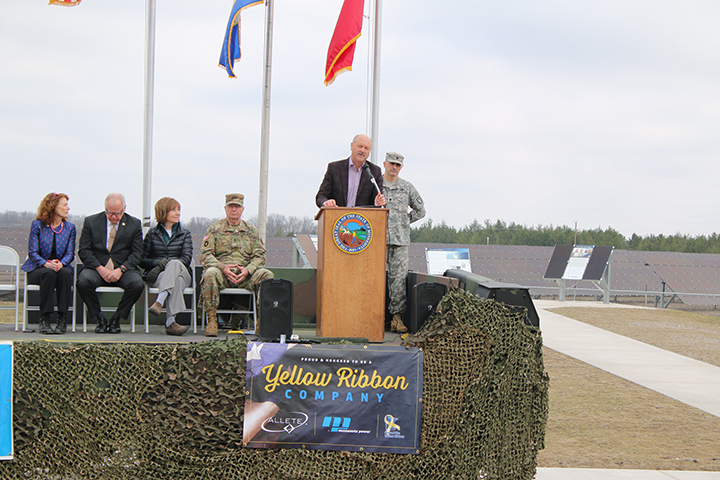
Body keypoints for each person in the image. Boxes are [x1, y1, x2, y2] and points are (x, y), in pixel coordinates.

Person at [199, 193, 274, 337]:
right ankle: (212, 320)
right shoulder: (214, 229)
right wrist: (223, 268)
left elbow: (260, 256)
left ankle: (261, 322)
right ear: (225, 208)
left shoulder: (251, 231)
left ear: (243, 209)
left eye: (237, 206)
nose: (234, 209)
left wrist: (248, 270)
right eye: (231, 206)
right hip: (222, 274)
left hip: (245, 275)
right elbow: (205, 255)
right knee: (209, 273)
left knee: (267, 275)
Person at [77, 193, 144, 334]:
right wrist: (100, 269)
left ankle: (117, 318)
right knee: (83, 281)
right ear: (105, 209)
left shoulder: (134, 224)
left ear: (124, 209)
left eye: (117, 213)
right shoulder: (91, 222)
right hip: (97, 268)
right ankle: (98, 317)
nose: (113, 217)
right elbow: (84, 250)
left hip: (123, 269)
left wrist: (121, 269)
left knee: (137, 284)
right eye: (109, 213)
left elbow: (137, 253)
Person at [382, 152, 426, 333]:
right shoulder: (374, 185)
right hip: (377, 241)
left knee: (398, 280)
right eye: (391, 163)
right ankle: (371, 315)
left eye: (398, 165)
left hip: (400, 241)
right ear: (384, 164)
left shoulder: (407, 187)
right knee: (373, 278)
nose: (394, 167)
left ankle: (397, 318)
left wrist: (404, 221)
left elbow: (420, 210)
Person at [21, 193, 76, 334]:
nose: (68, 208)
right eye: (64, 205)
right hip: (38, 267)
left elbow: (70, 253)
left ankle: (62, 319)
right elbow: (32, 252)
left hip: (60, 266)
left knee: (64, 274)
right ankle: (44, 318)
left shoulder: (70, 228)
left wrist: (61, 264)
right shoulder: (37, 225)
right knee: (49, 274)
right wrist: (46, 263)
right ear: (53, 206)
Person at [141, 197, 193, 336]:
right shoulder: (152, 234)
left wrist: (169, 262)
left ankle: (159, 301)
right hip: (160, 275)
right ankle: (171, 322)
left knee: (175, 264)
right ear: (163, 212)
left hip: (182, 271)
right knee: (177, 282)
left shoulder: (185, 233)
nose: (178, 213)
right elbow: (142, 259)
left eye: (179, 210)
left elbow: (186, 259)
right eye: (174, 210)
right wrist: (156, 262)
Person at [315, 134, 386, 208]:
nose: (362, 150)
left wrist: (377, 203)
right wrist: (326, 202)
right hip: (338, 218)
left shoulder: (374, 172)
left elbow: (379, 201)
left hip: (362, 218)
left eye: (366, 148)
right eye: (360, 146)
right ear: (352, 146)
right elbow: (321, 196)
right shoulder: (334, 168)